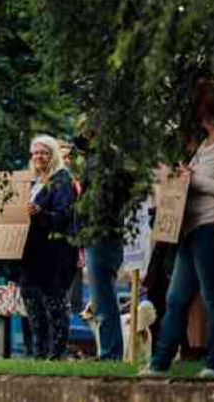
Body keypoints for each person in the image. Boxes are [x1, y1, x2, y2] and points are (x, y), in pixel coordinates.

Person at [146, 80, 214, 377]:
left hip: (210, 228)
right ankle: (159, 363)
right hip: (189, 229)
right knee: (176, 298)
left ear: (209, 109)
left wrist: (194, 179)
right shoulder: (205, 143)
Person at [75, 116, 134, 361]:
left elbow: (96, 200)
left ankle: (111, 353)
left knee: (103, 296)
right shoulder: (105, 157)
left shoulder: (102, 159)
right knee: (102, 296)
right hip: (103, 233)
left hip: (101, 233)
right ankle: (109, 351)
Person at [21, 134, 79, 360]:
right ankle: (39, 353)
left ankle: (57, 354)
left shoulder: (62, 179)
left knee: (54, 303)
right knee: (32, 304)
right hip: (31, 252)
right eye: (35, 152)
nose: (39, 157)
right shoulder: (32, 181)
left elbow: (64, 216)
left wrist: (40, 213)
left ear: (53, 154)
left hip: (55, 252)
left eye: (44, 152)